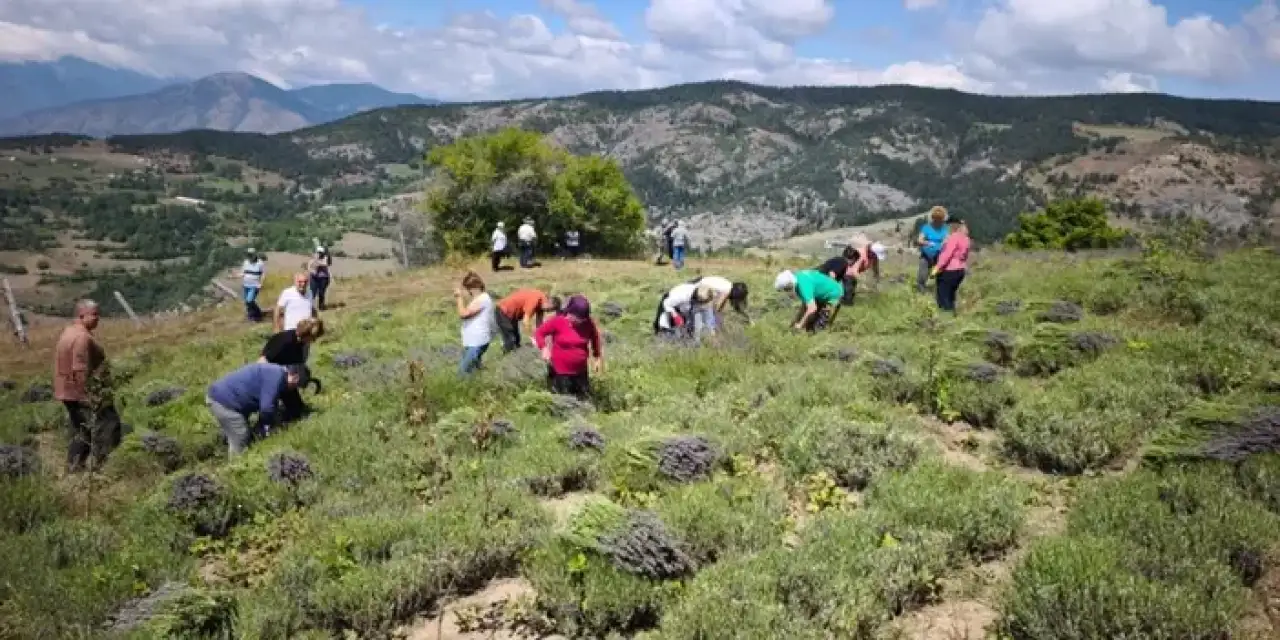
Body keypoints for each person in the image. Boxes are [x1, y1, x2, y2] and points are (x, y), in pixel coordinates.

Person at [53, 300, 122, 472]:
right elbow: (79, 368)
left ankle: (74, 466)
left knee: (81, 430)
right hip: (82, 392)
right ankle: (103, 465)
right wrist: (87, 395)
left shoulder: (68, 332)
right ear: (81, 315)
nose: (98, 318)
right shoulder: (82, 338)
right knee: (108, 424)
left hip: (67, 392)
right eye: (94, 314)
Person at [206, 362, 307, 456]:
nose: (294, 389)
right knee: (241, 436)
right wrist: (265, 426)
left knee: (237, 430)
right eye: (297, 386)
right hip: (224, 402)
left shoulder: (275, 372)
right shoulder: (276, 377)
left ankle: (223, 443)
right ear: (295, 377)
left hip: (225, 397)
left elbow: (271, 400)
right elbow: (266, 408)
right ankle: (235, 464)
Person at [534, 294, 604, 399]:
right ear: (570, 312)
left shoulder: (588, 323)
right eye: (577, 318)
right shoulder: (558, 321)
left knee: (584, 399)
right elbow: (539, 333)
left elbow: (595, 338)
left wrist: (597, 357)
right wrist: (544, 348)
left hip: (581, 372)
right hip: (560, 372)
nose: (580, 321)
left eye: (582, 319)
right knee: (564, 400)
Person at [259, 318, 325, 421]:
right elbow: (262, 362)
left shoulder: (299, 343)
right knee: (270, 412)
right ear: (307, 335)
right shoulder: (284, 342)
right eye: (313, 338)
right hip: (268, 376)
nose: (314, 341)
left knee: (297, 410)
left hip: (282, 374)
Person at [774, 269, 844, 333]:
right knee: (807, 325)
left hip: (834, 294)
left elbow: (812, 308)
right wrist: (795, 321)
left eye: (786, 289)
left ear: (790, 285)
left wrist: (800, 324)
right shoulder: (798, 278)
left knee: (818, 328)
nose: (786, 291)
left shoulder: (803, 286)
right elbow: (805, 305)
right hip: (820, 294)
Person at [494, 288, 562, 353]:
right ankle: (507, 356)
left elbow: (539, 324)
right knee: (510, 338)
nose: (548, 311)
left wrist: (540, 338)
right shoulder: (535, 299)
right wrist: (532, 338)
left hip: (513, 316)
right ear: (549, 303)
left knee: (517, 340)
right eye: (549, 309)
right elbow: (525, 321)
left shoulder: (542, 305)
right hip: (503, 310)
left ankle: (515, 355)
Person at [455, 271, 494, 375]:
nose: (467, 292)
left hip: (477, 342)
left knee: (463, 372)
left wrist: (459, 298)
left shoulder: (483, 299)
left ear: (472, 288)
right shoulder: (478, 299)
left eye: (467, 288)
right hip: (472, 341)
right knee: (474, 371)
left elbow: (463, 314)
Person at [930, 216, 971, 313]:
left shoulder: (953, 237)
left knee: (943, 297)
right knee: (951, 296)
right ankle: (952, 315)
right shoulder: (966, 238)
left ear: (952, 226)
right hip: (960, 270)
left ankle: (946, 316)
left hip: (949, 270)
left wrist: (936, 269)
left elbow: (946, 255)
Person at [687, 275, 751, 333]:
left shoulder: (728, 285)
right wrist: (716, 321)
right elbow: (717, 306)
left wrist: (718, 319)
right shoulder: (727, 290)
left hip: (700, 288)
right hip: (698, 290)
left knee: (713, 316)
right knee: (708, 319)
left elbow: (720, 307)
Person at [916, 206, 951, 293]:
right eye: (936, 219)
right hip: (926, 255)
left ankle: (939, 288)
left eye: (940, 219)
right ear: (933, 218)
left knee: (940, 273)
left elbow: (947, 239)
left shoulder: (944, 228)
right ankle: (921, 290)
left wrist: (944, 243)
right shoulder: (926, 228)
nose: (938, 221)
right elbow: (920, 240)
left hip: (939, 255)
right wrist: (927, 243)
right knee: (922, 274)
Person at [239, 248, 266, 321]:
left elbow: (263, 274)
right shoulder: (246, 262)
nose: (249, 256)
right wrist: (234, 276)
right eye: (248, 255)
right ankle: (251, 316)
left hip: (254, 286)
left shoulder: (260, 263)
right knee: (247, 302)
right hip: (246, 285)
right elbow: (243, 273)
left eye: (250, 255)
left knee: (249, 301)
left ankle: (258, 314)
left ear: (254, 255)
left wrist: (261, 284)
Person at [307, 246, 333, 311]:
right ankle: (309, 306)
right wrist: (312, 270)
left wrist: (318, 262)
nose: (319, 254)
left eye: (320, 252)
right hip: (314, 278)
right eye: (318, 252)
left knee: (321, 293)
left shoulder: (325, 258)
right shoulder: (313, 258)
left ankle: (321, 306)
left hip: (323, 278)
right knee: (312, 293)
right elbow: (309, 266)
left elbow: (326, 264)